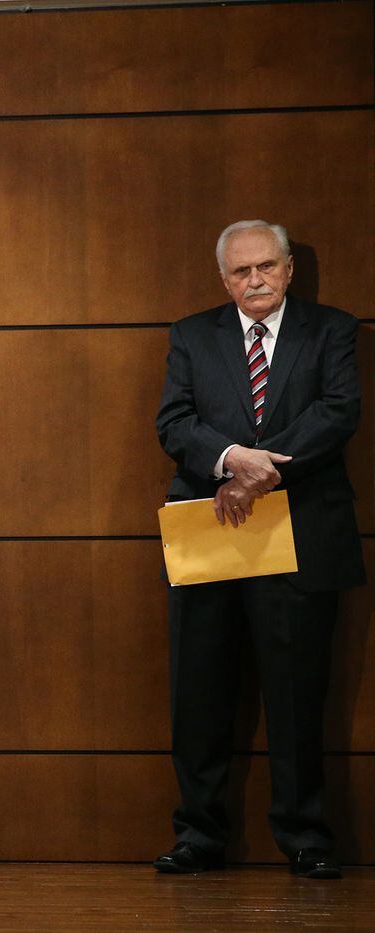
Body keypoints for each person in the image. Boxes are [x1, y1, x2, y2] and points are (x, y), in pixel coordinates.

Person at [153, 220, 363, 879]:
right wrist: (229, 459)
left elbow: (339, 411)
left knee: (297, 694)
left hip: (300, 530)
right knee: (200, 691)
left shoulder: (331, 329)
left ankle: (306, 837)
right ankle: (198, 834)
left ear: (289, 268)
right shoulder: (191, 334)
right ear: (224, 278)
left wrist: (262, 469)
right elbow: (174, 420)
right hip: (211, 529)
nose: (255, 280)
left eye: (266, 267)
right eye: (241, 271)